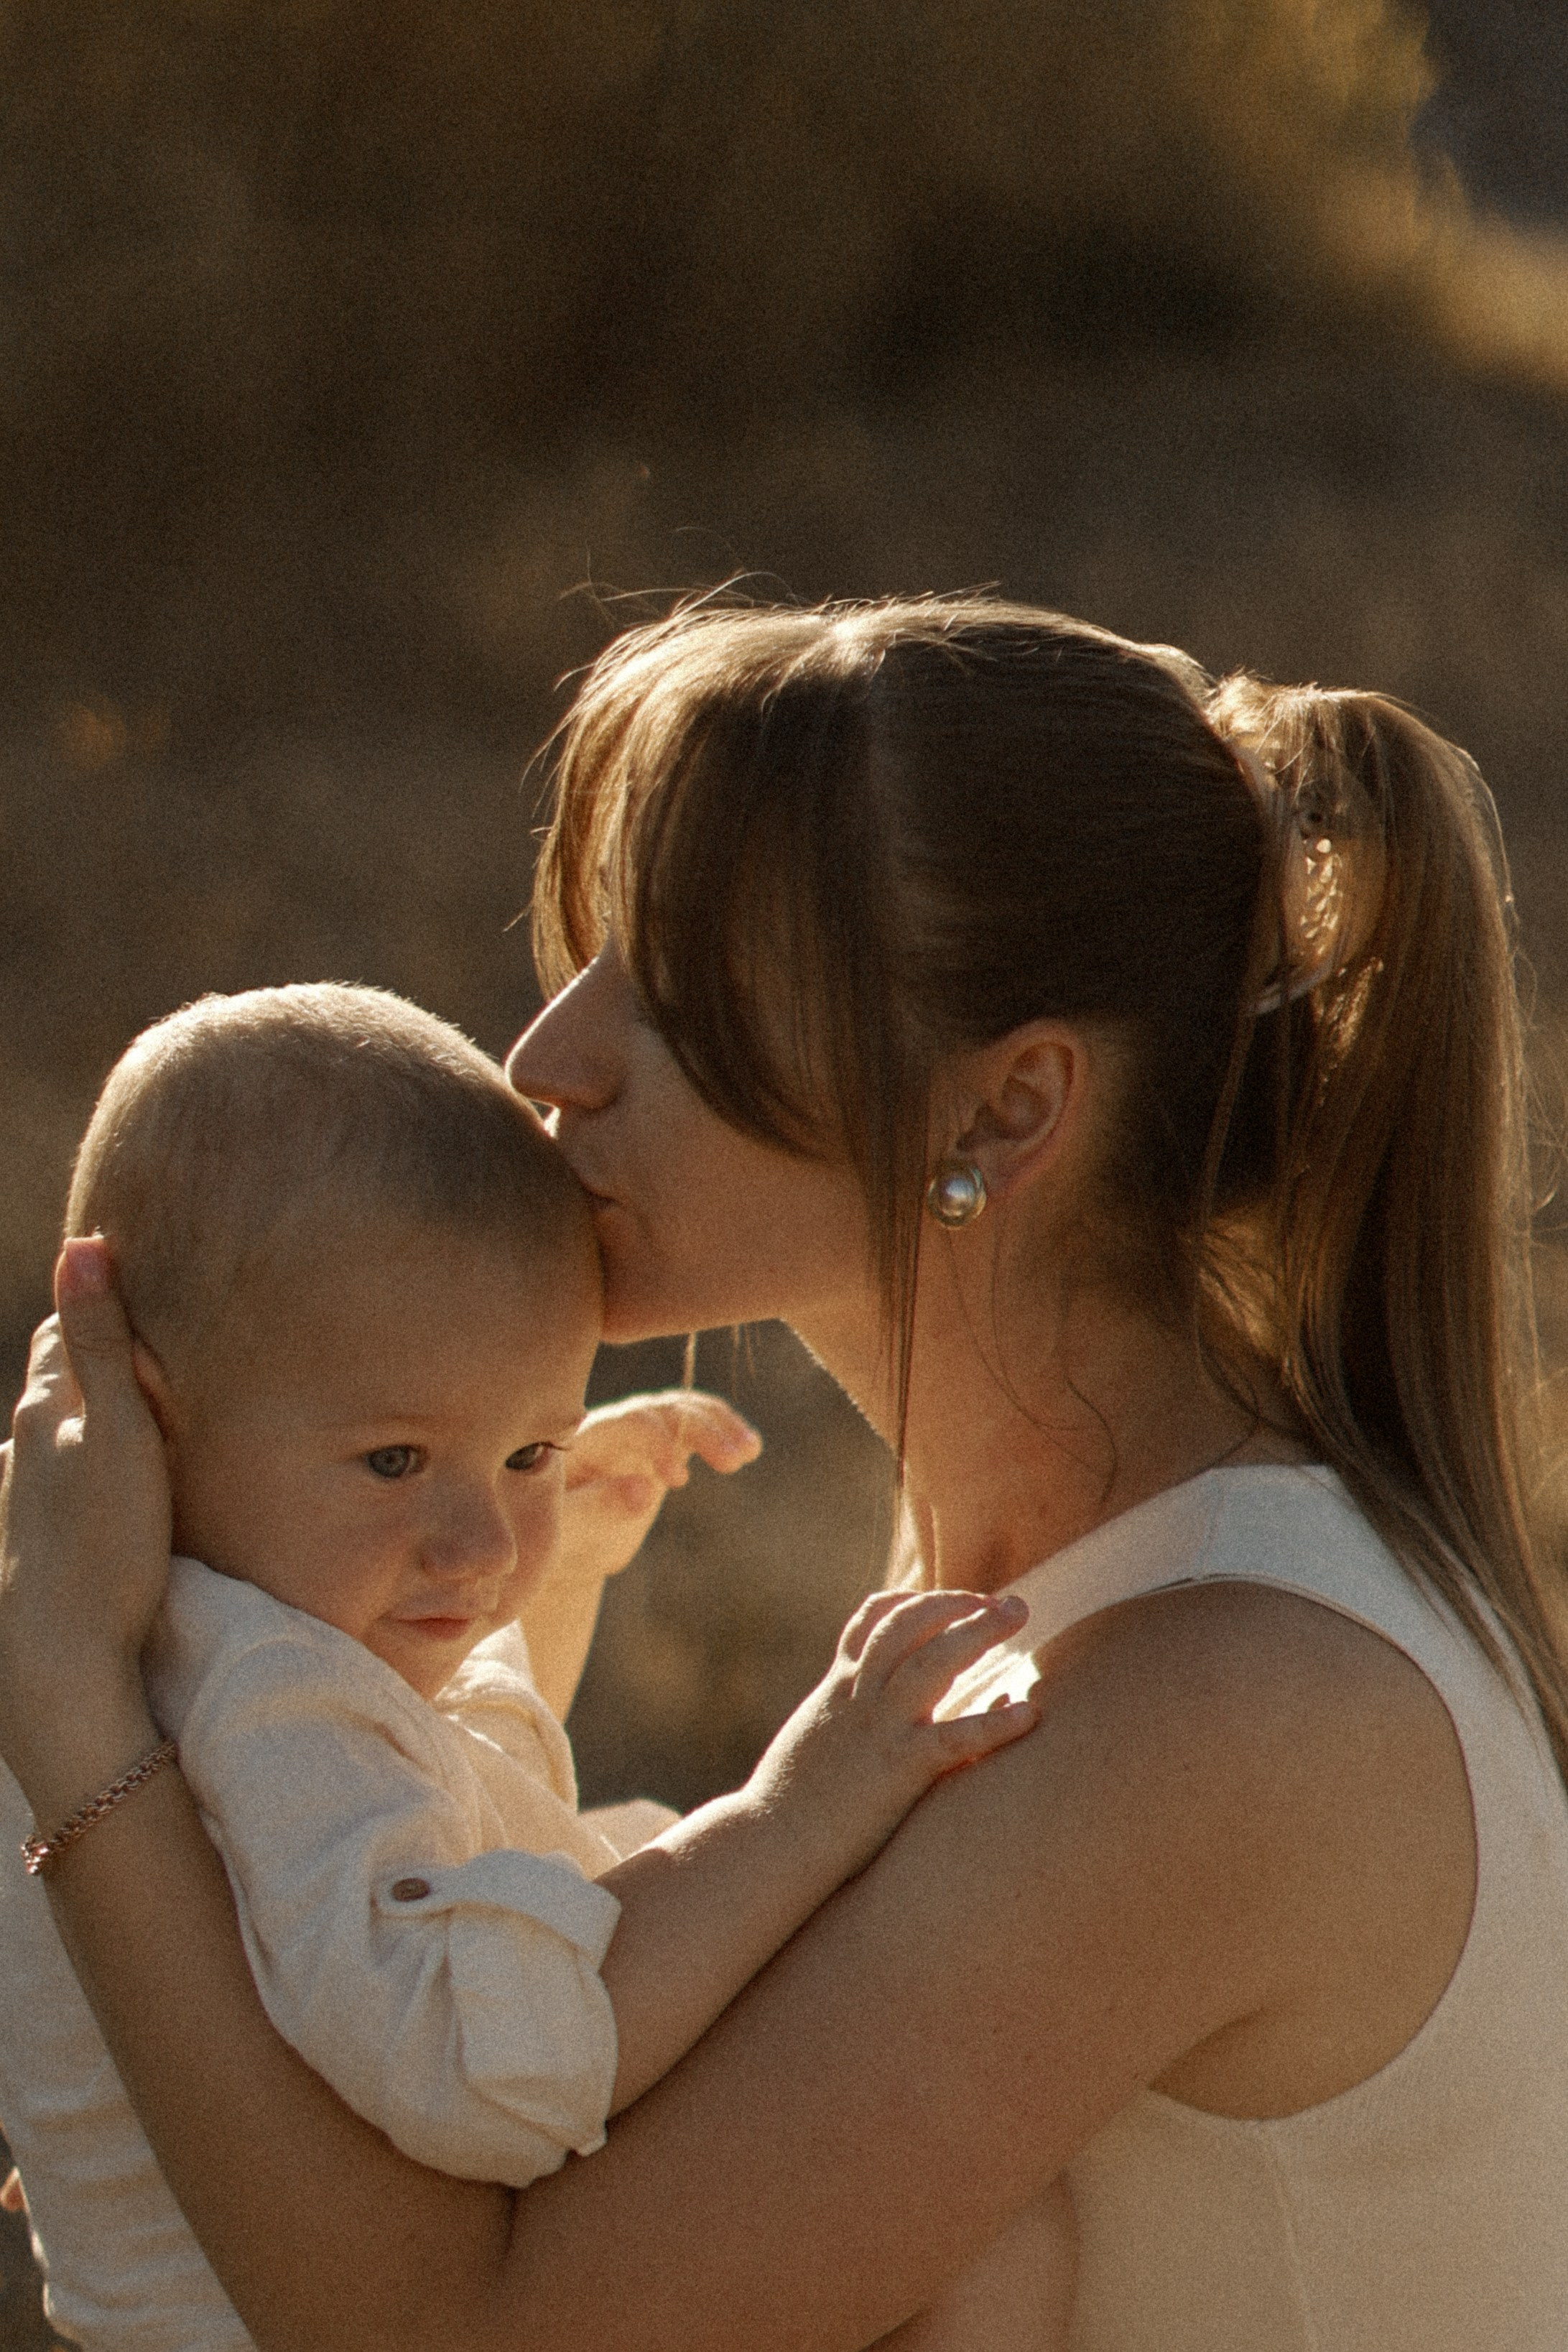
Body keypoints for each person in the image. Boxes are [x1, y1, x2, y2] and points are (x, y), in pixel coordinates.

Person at [4, 593, 1568, 2350]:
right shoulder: (1051, 1557)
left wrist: (75, 1705)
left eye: (677, 998)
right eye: (587, 958)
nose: (548, 1062)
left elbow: (465, 2332)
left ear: (1002, 1111)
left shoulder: (1215, 1703)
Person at [0, 981, 1047, 2352]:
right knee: (983, 2242)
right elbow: (483, 2056)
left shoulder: (171, 1639)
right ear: (149, 1411)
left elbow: (437, 1822)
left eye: (525, 1453)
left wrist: (547, 1594)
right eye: (396, 1460)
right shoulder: (263, 1691)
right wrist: (799, 1807)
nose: (480, 1536)